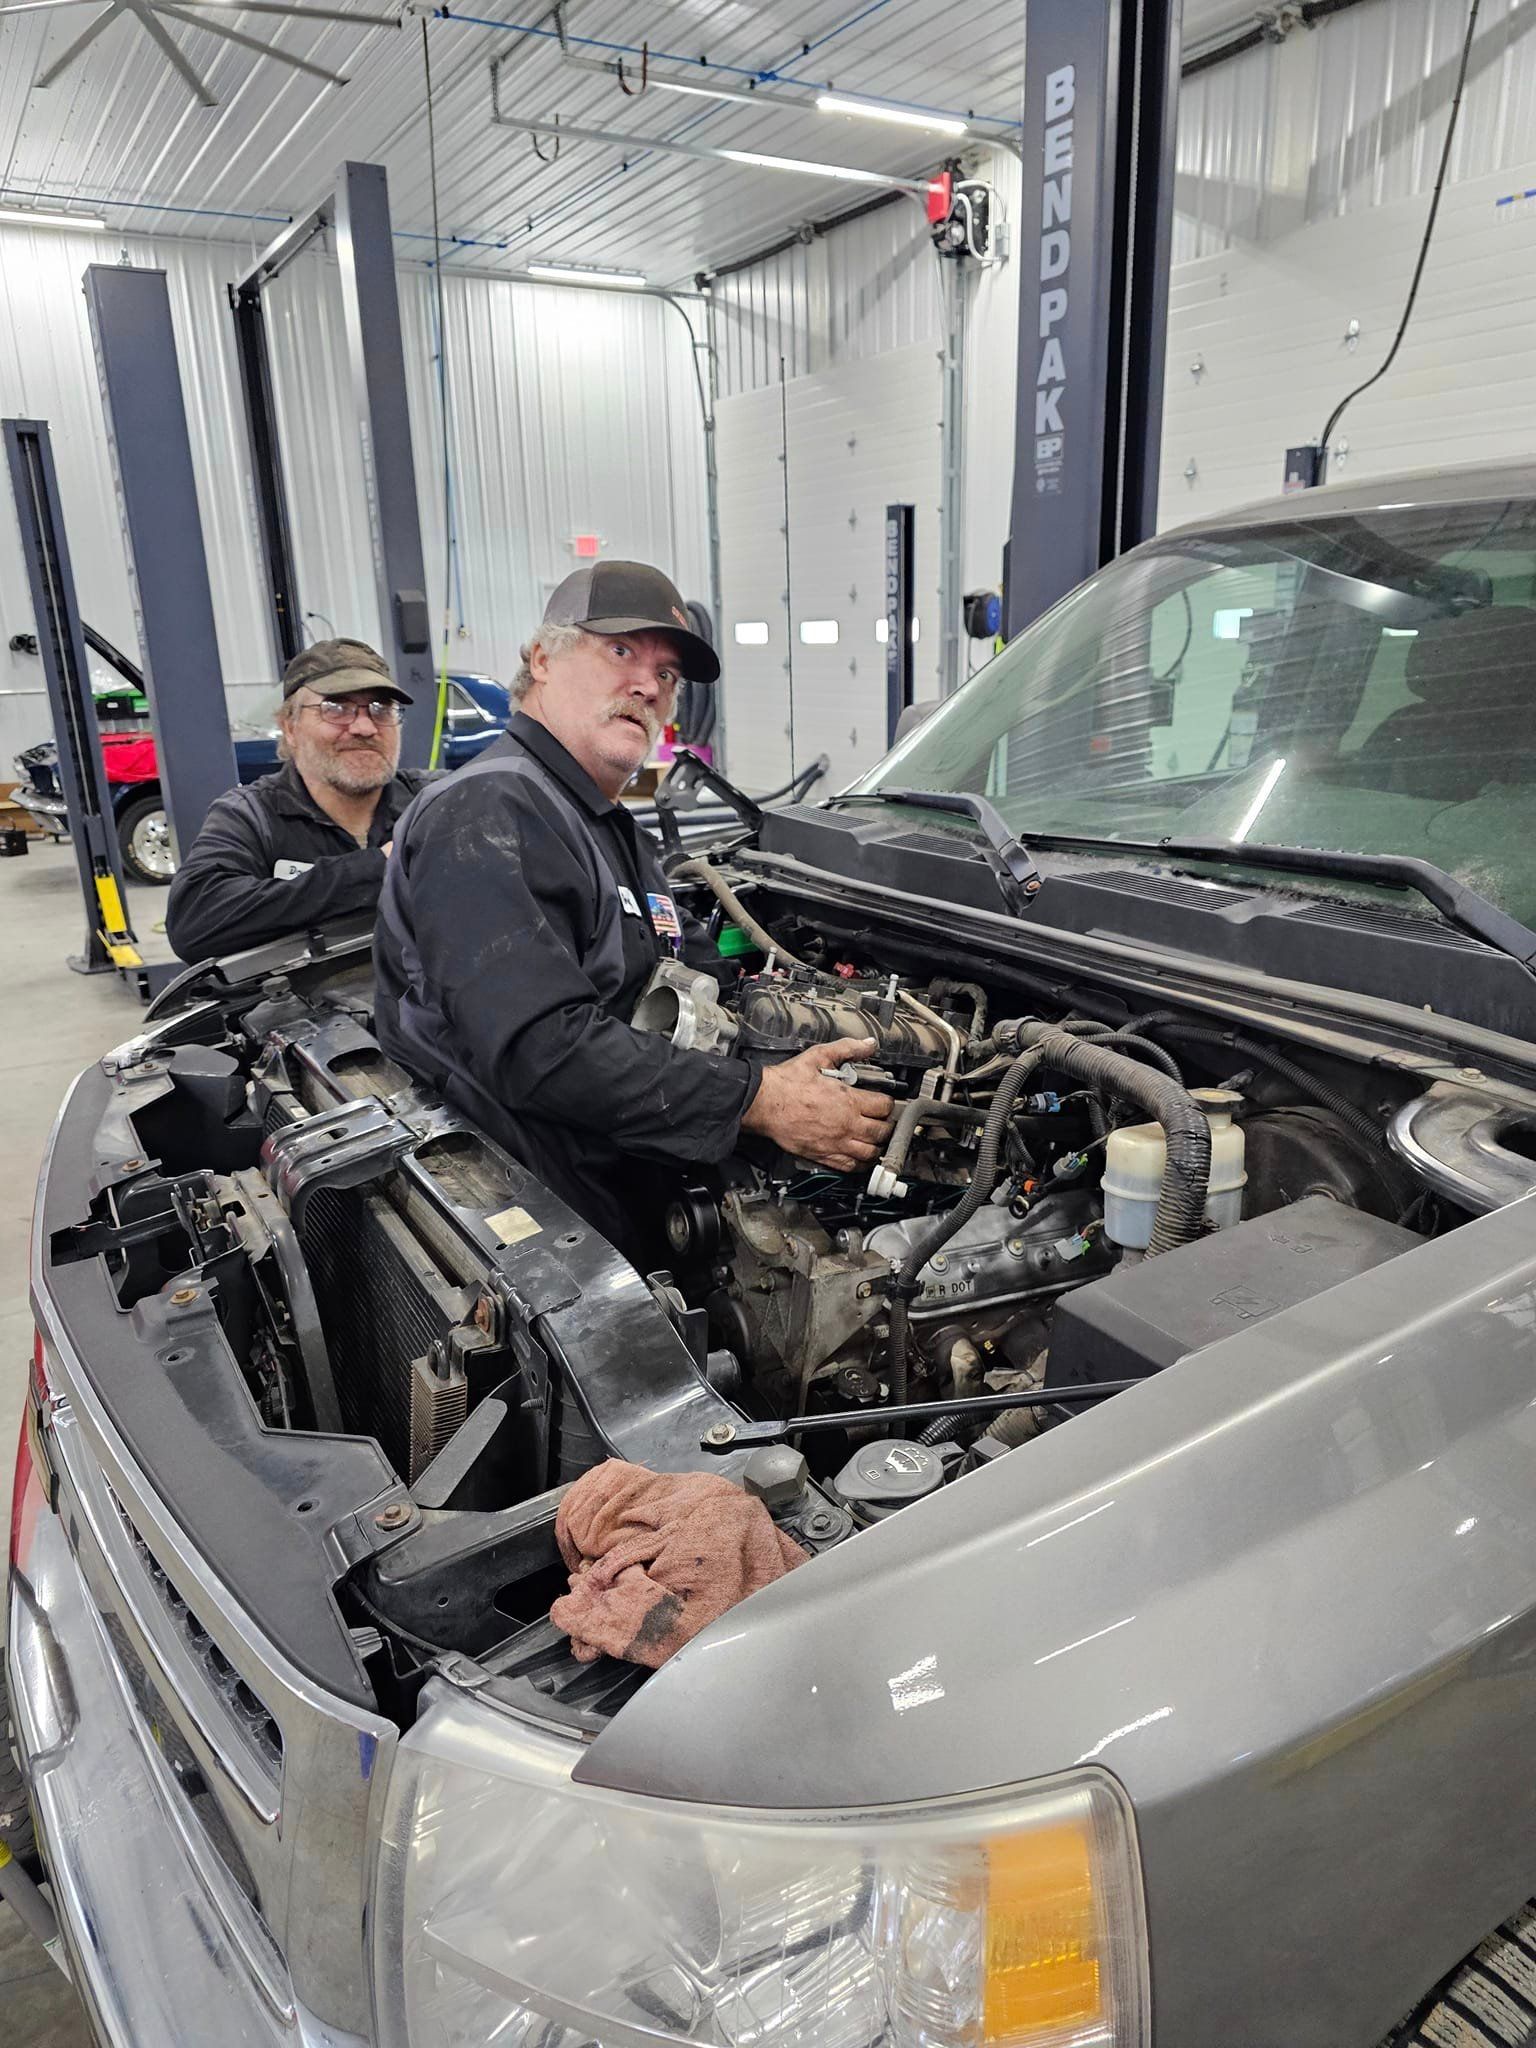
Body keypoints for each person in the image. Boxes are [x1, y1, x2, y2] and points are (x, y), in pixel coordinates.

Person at [374, 560, 891, 1268]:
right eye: (620, 651)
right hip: (547, 1230)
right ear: (541, 660)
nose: (648, 685)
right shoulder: (489, 810)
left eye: (667, 674)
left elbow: (685, 967)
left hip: (623, 1176)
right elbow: (542, 1050)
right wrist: (759, 1100)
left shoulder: (609, 826)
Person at [165, 639, 431, 963]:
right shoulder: (252, 817)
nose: (364, 726)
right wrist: (379, 867)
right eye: (336, 708)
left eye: (381, 708)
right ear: (290, 727)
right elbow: (195, 921)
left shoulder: (434, 801)